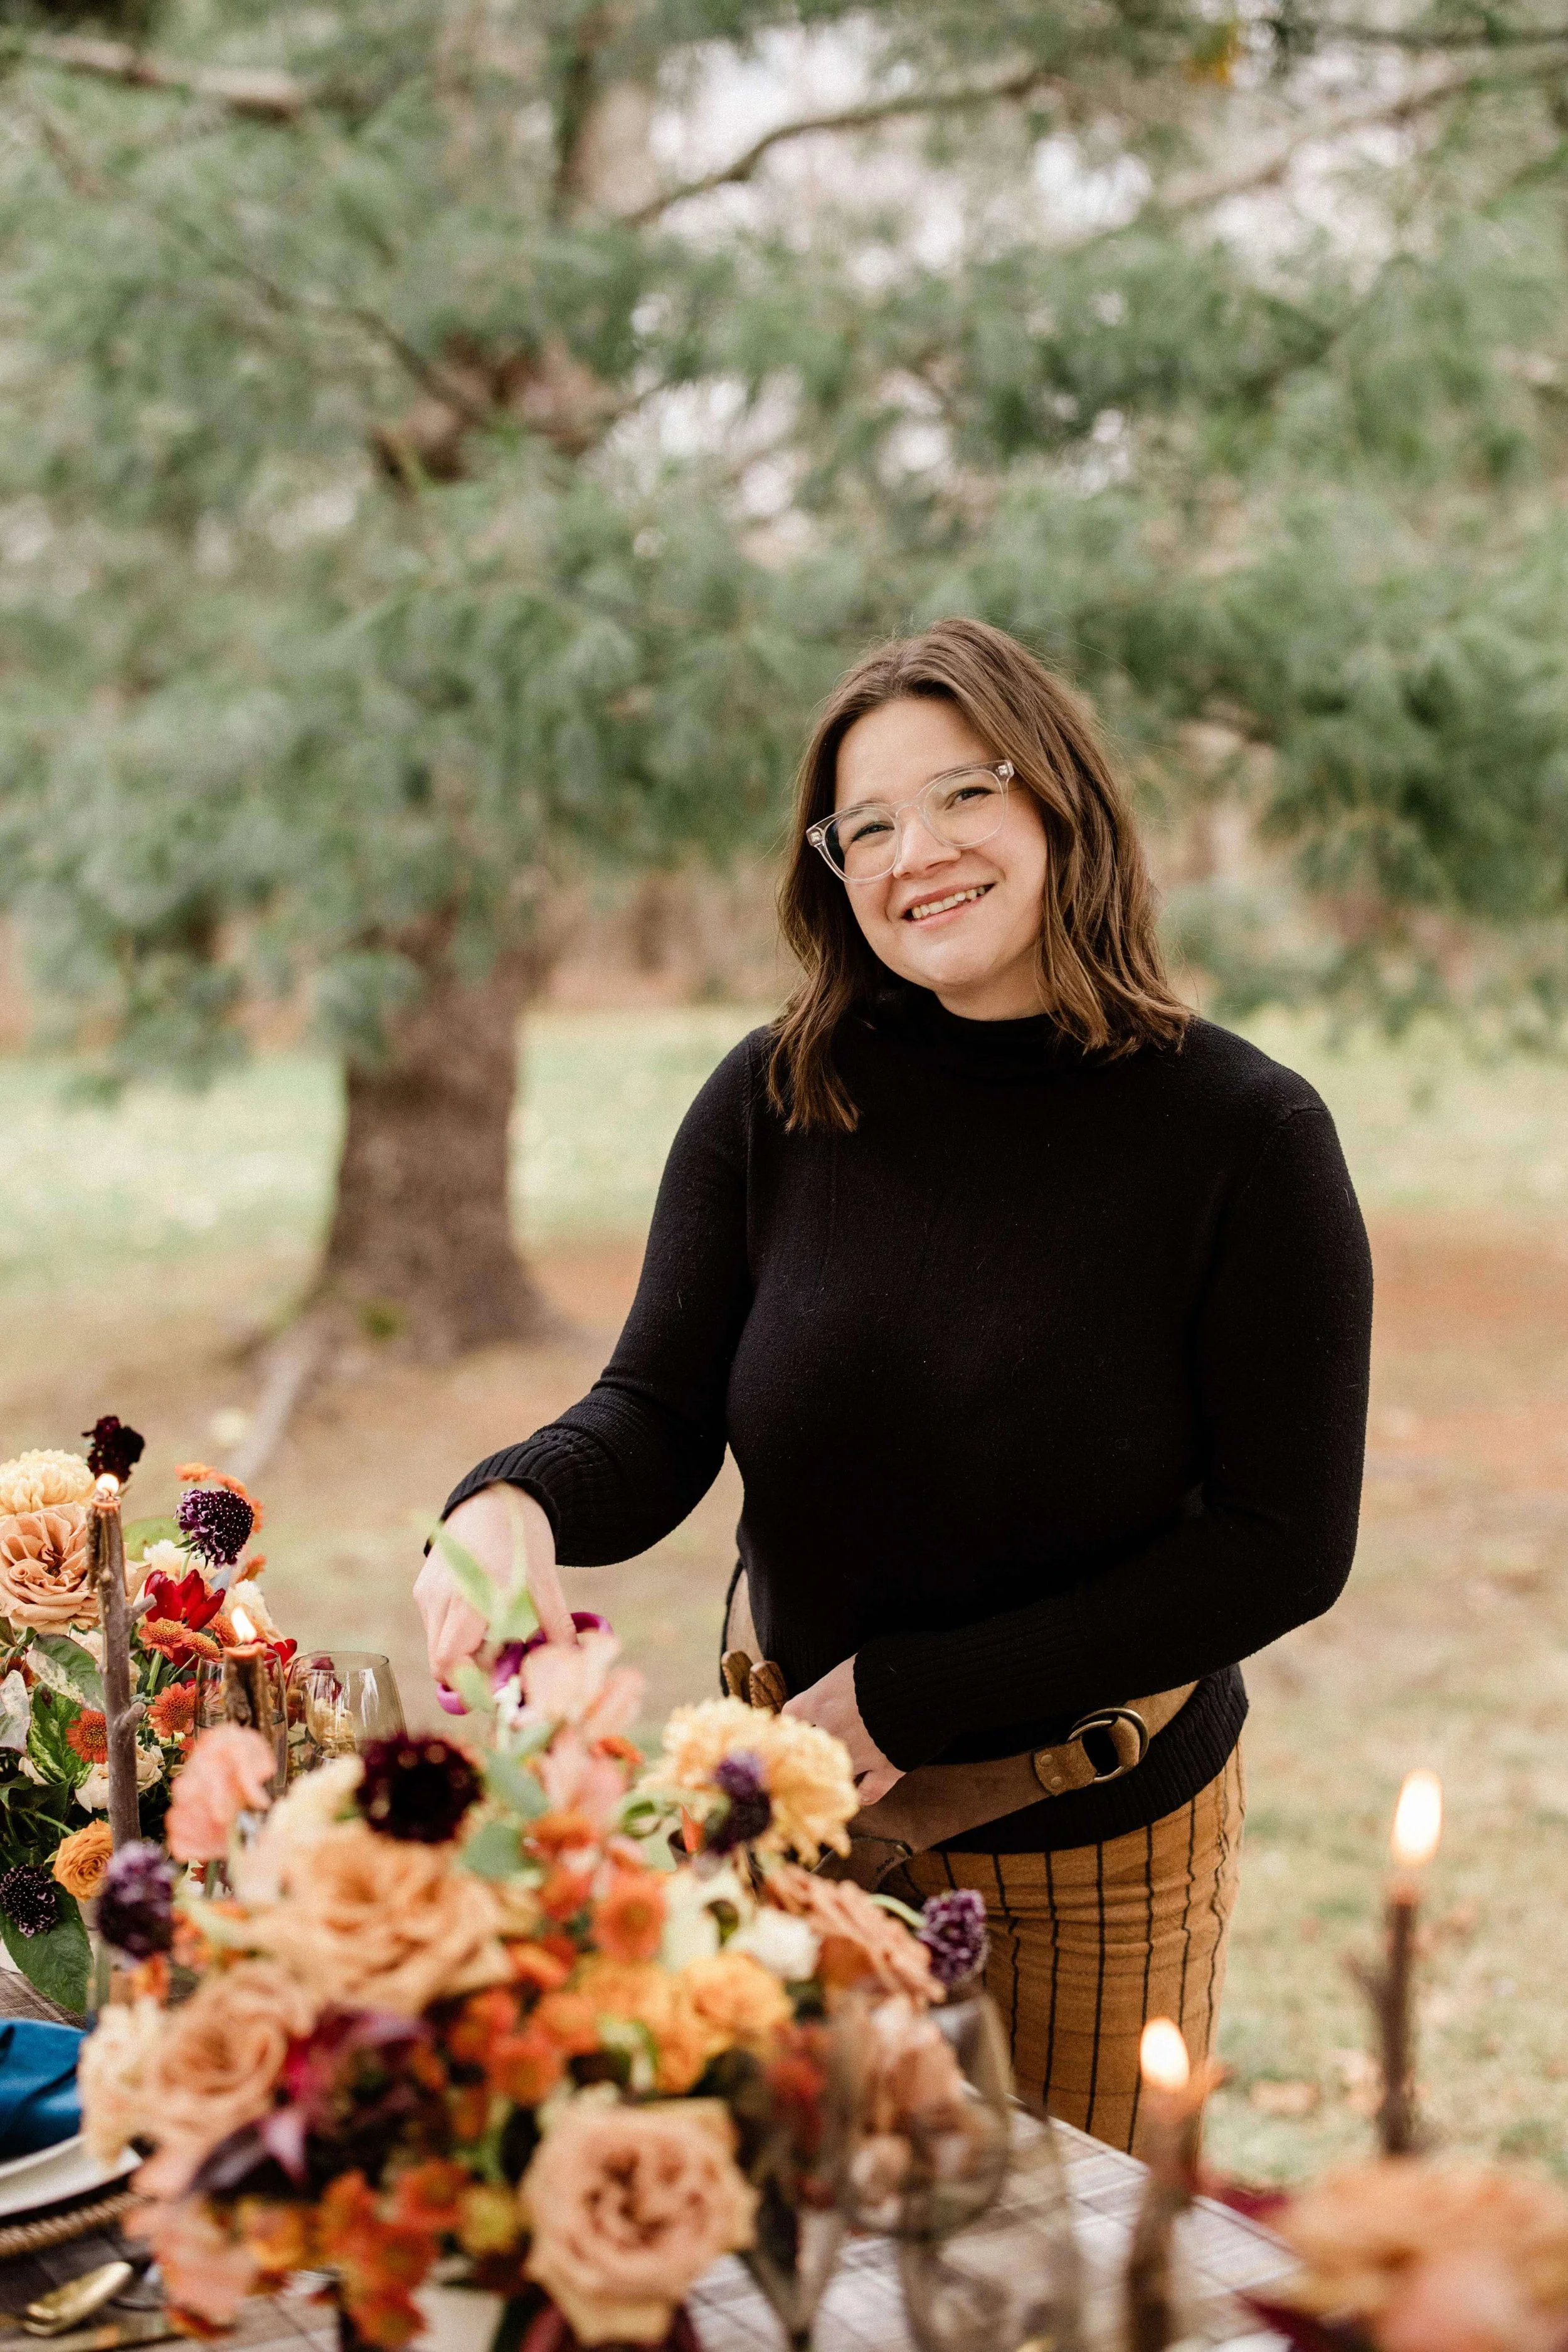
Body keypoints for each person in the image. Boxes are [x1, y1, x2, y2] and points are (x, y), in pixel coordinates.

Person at [417, 617, 1373, 2154]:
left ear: (1058, 803)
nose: (912, 852)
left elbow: (1280, 1542)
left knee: (1057, 2293)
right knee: (799, 2267)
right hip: (791, 1831)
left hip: (1091, 1848)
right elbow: (656, 1413)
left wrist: (916, 1696)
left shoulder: (1242, 1133)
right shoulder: (775, 1095)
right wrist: (515, 1500)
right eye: (865, 825)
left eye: (959, 798)